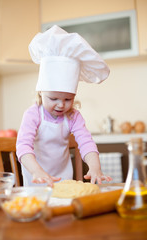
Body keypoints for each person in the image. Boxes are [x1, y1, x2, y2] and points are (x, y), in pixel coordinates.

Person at [16, 25, 112, 187]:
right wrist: (36, 171)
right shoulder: (33, 114)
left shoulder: (73, 116)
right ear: (40, 93)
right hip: (36, 179)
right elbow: (23, 146)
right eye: (53, 98)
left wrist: (95, 167)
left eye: (68, 99)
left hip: (64, 180)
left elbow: (86, 142)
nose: (61, 105)